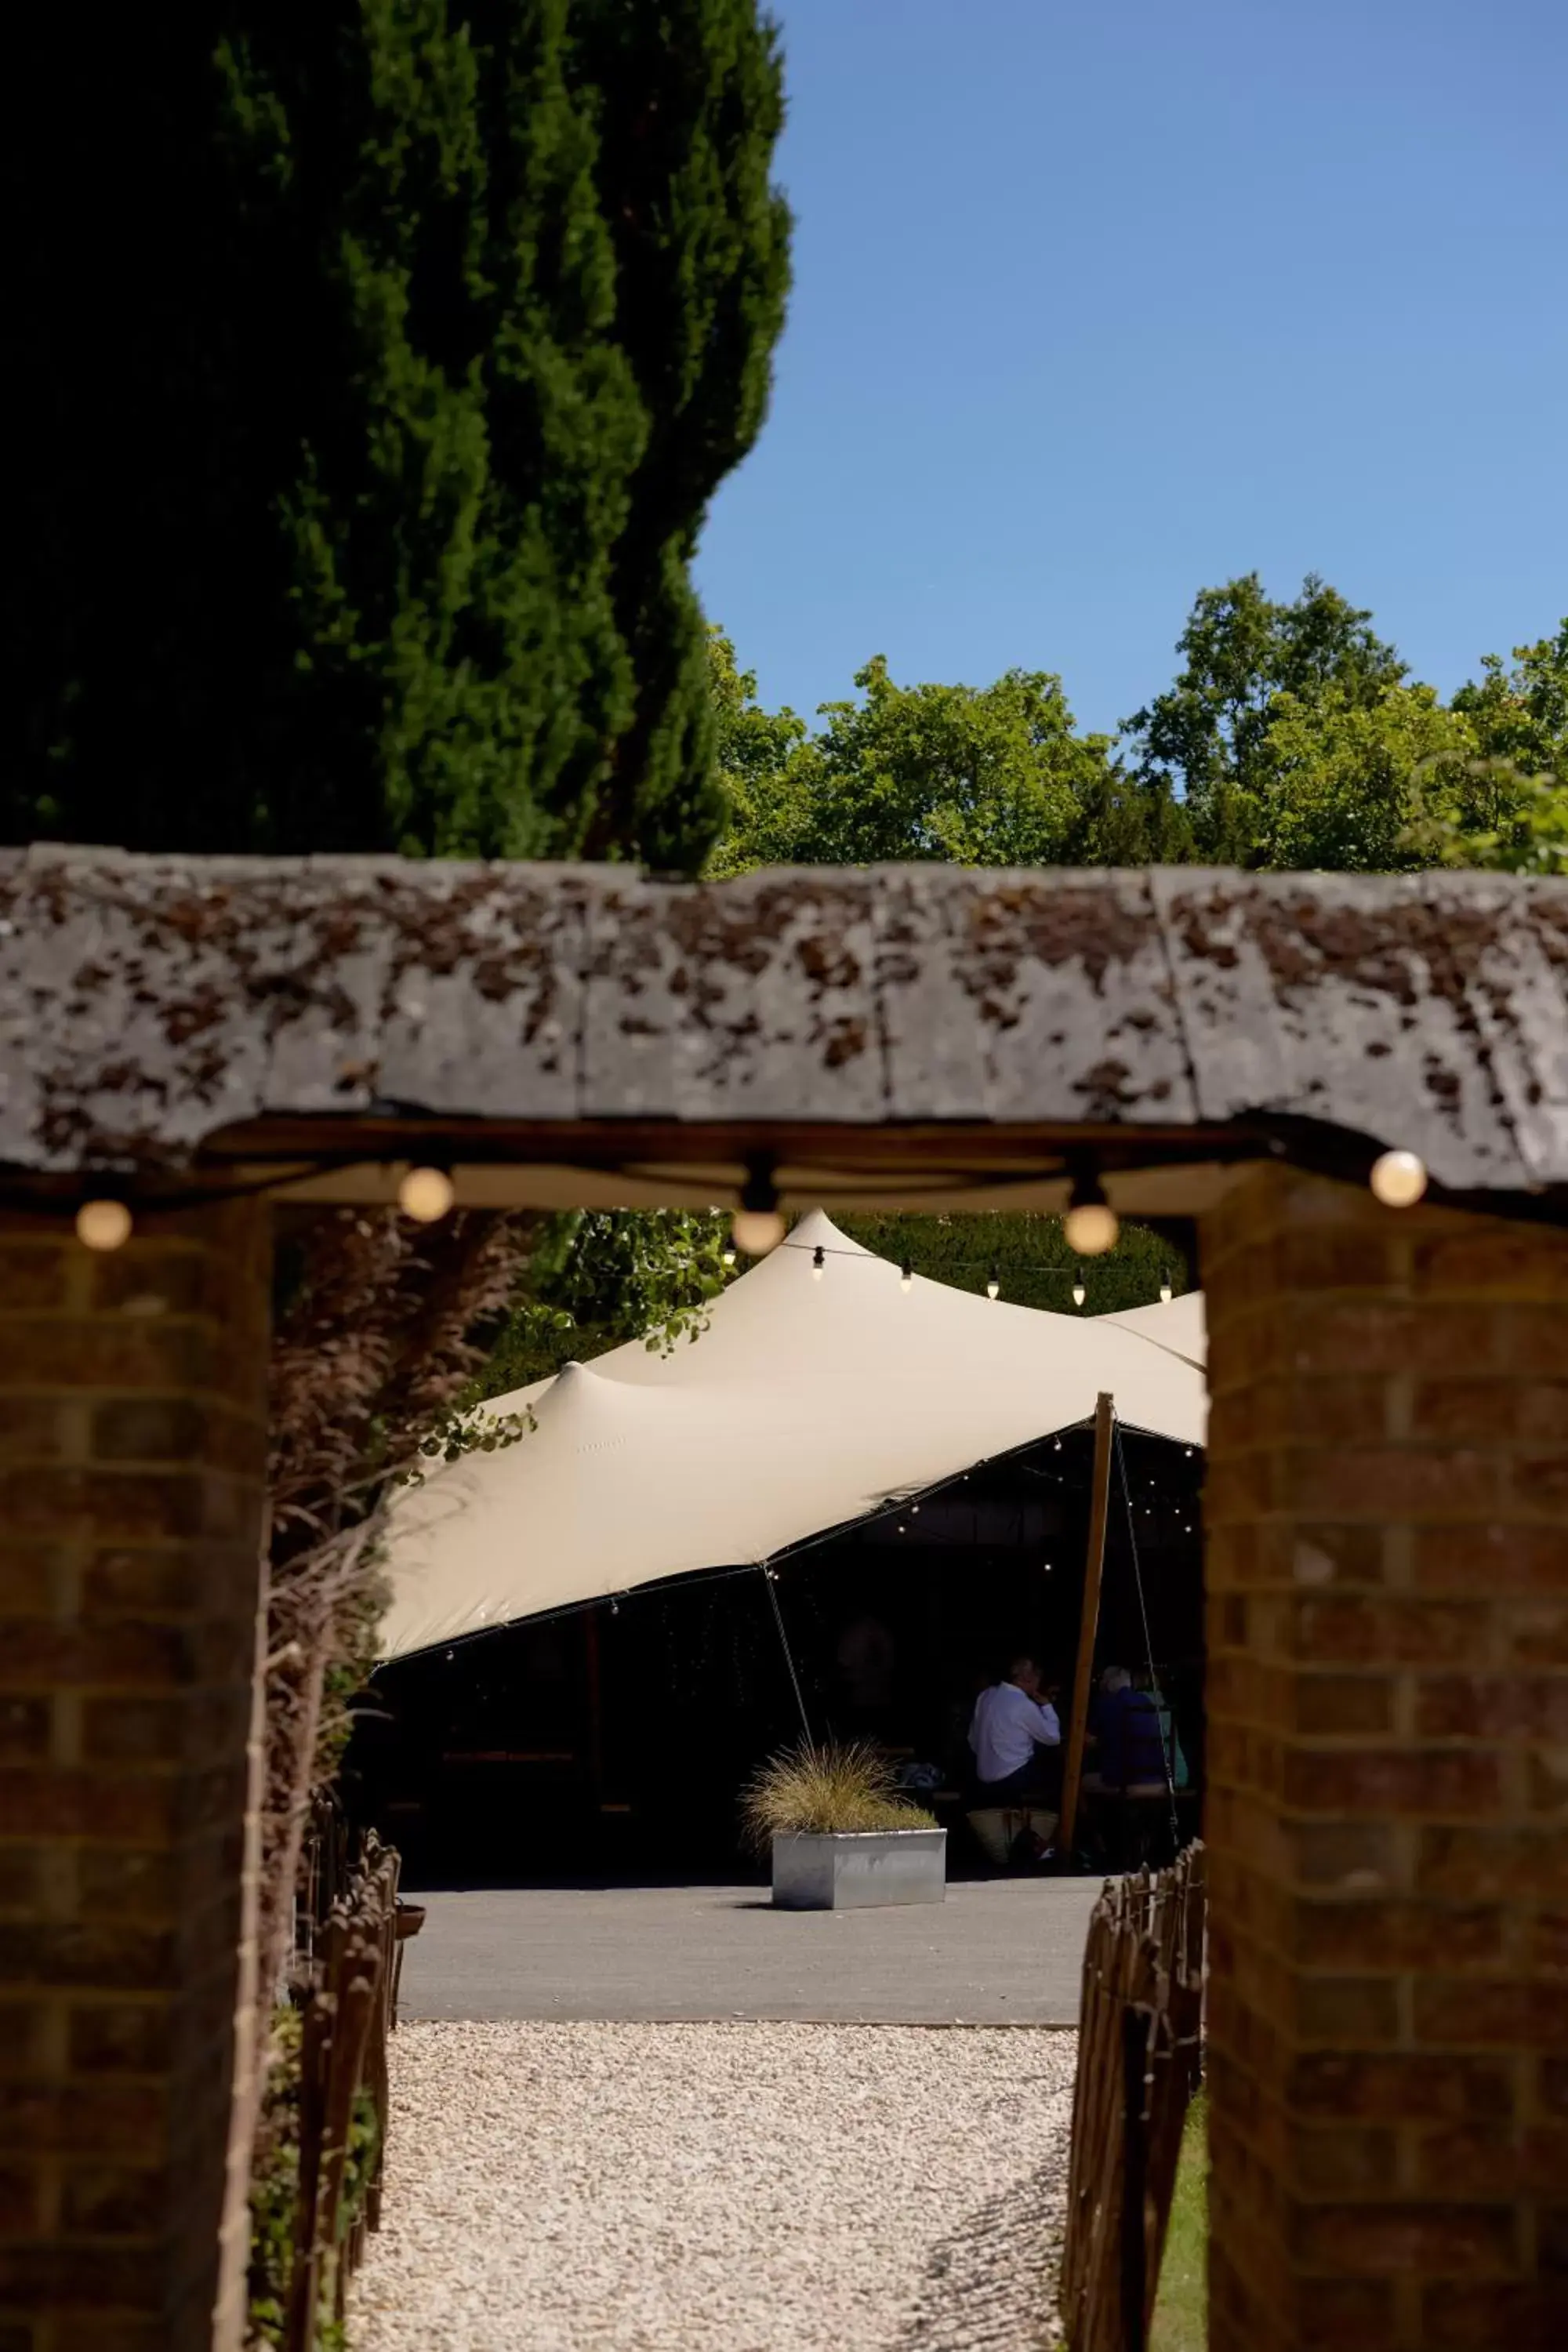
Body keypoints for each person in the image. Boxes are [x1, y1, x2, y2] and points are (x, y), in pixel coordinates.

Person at [967, 1655, 1062, 1803]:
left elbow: (973, 1739)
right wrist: (1047, 1706)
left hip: (982, 1775)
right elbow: (1053, 1738)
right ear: (1029, 1678)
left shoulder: (985, 1695)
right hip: (1012, 1778)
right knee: (1053, 1765)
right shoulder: (1023, 1704)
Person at [1083, 1665, 1168, 1795]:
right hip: (1157, 1780)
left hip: (1124, 1781)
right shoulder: (1146, 1701)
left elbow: (1088, 1740)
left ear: (1109, 1682)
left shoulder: (1105, 1703)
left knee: (1080, 1781)